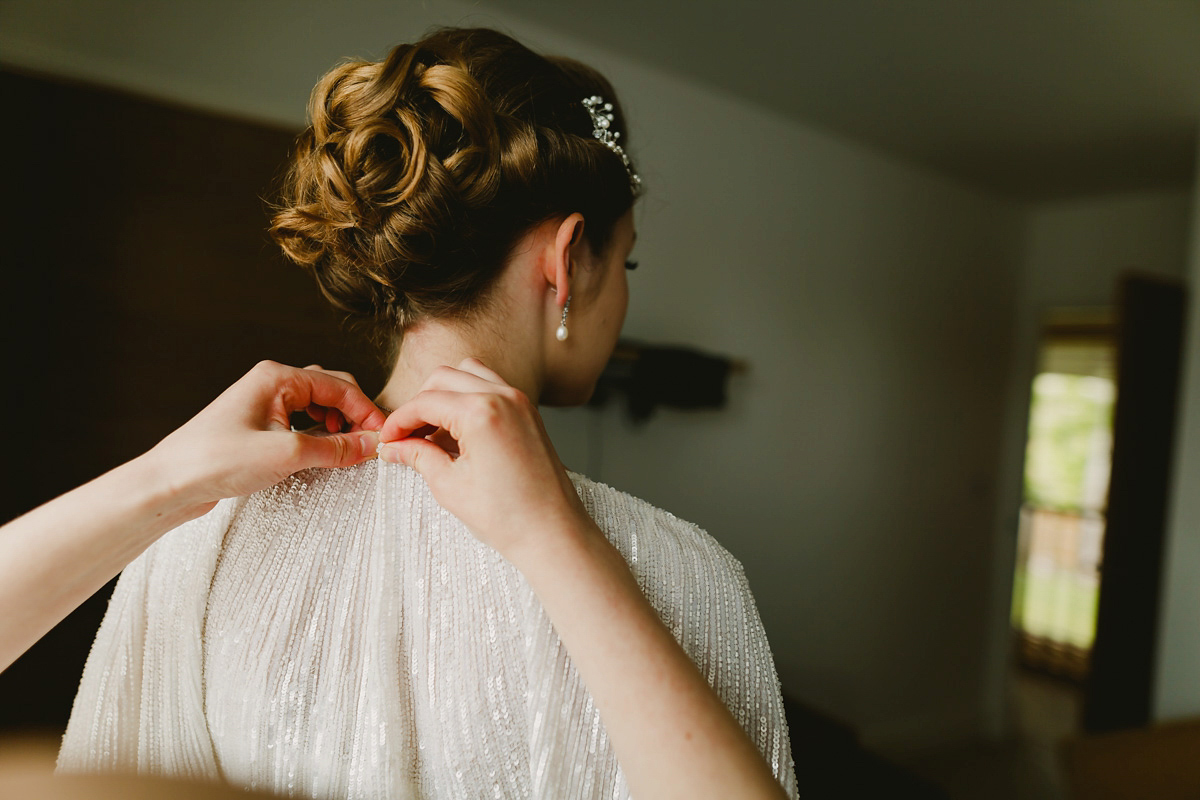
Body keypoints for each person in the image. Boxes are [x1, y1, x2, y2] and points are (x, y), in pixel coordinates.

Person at [57, 26, 799, 800]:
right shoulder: (687, 571)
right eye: (628, 261)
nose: (626, 294)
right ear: (567, 258)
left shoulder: (201, 532)